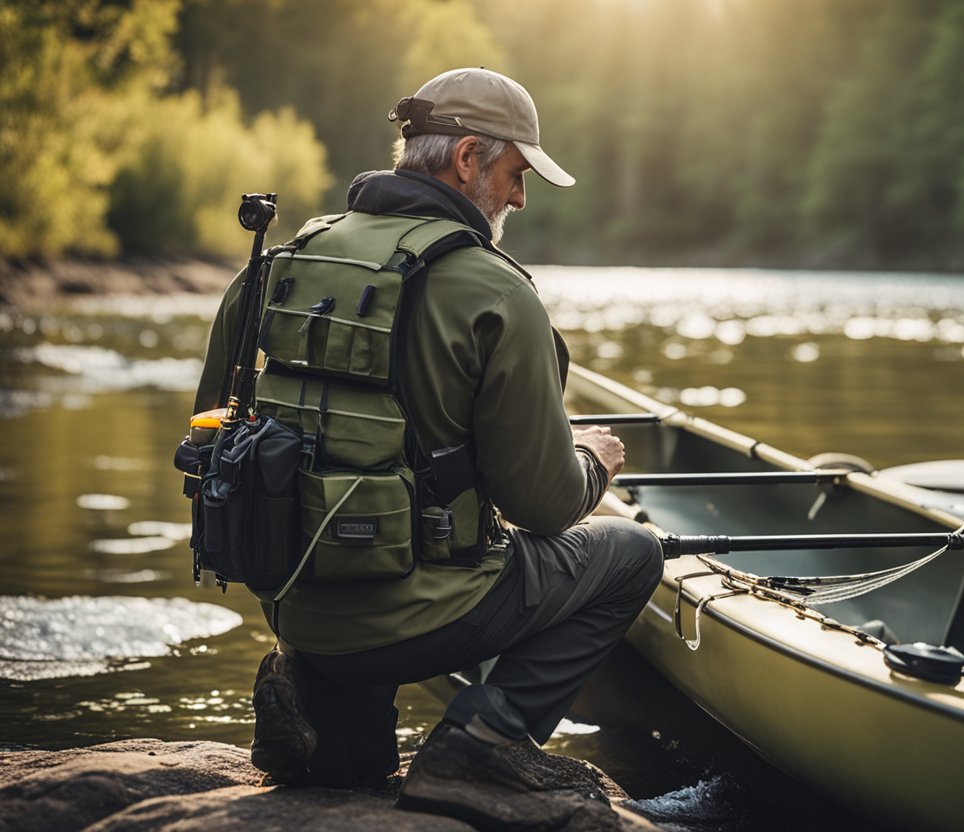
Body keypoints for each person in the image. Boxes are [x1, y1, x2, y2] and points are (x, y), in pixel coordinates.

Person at [191, 67, 664, 819]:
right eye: (515, 174)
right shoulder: (497, 290)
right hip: (418, 621)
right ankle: (485, 746)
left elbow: (211, 438)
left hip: (293, 606)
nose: (519, 198)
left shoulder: (280, 262)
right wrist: (591, 465)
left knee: (355, 768)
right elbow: (543, 508)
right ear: (469, 157)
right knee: (633, 552)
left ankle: (311, 699)